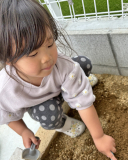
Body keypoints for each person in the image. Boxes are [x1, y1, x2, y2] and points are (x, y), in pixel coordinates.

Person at [0, 0, 117, 159]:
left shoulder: (63, 66)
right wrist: (24, 131)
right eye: (33, 54)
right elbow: (7, 114)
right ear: (9, 60)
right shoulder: (5, 88)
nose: (47, 58)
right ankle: (65, 124)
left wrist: (99, 136)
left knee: (83, 64)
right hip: (43, 105)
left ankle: (76, 88)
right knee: (48, 116)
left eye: (50, 44)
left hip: (62, 84)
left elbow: (84, 104)